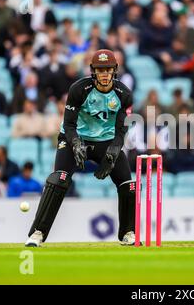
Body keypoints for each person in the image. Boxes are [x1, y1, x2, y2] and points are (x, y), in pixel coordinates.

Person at [25, 49, 135, 247]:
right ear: (93, 71)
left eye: (108, 69)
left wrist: (114, 150)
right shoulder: (79, 89)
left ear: (114, 71)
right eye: (100, 70)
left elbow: (121, 130)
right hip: (75, 138)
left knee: (128, 184)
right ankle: (37, 233)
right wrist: (75, 143)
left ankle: (128, 232)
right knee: (59, 179)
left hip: (106, 141)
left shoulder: (124, 94)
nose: (104, 74)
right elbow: (68, 124)